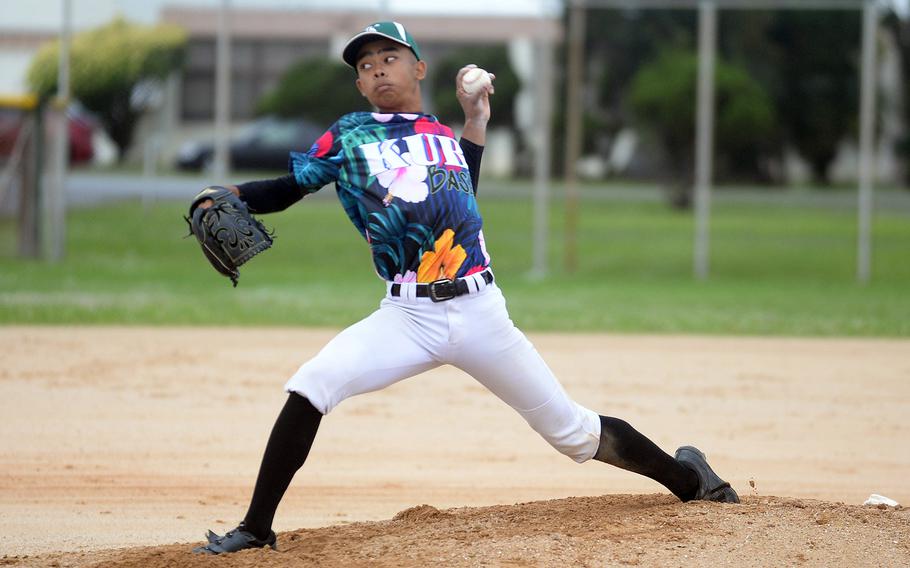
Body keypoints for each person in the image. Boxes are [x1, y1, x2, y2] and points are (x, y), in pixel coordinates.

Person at [192, 21, 739, 555]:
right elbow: (289, 188)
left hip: (480, 311)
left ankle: (691, 480)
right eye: (366, 65)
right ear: (359, 84)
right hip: (406, 316)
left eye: (389, 58)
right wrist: (229, 191)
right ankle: (257, 526)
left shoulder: (440, 136)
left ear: (418, 68)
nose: (378, 69)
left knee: (571, 432)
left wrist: (476, 119)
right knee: (313, 384)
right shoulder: (350, 134)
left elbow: (463, 192)